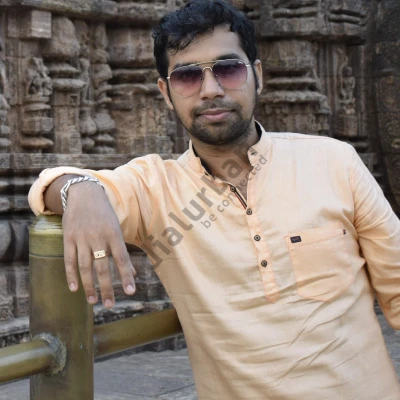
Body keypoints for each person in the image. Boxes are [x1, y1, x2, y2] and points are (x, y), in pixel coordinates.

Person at [28, 0, 400, 398]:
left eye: (228, 69)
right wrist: (80, 189)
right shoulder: (156, 189)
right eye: (187, 76)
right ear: (166, 93)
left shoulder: (335, 161)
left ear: (257, 75)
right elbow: (47, 187)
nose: (211, 90)